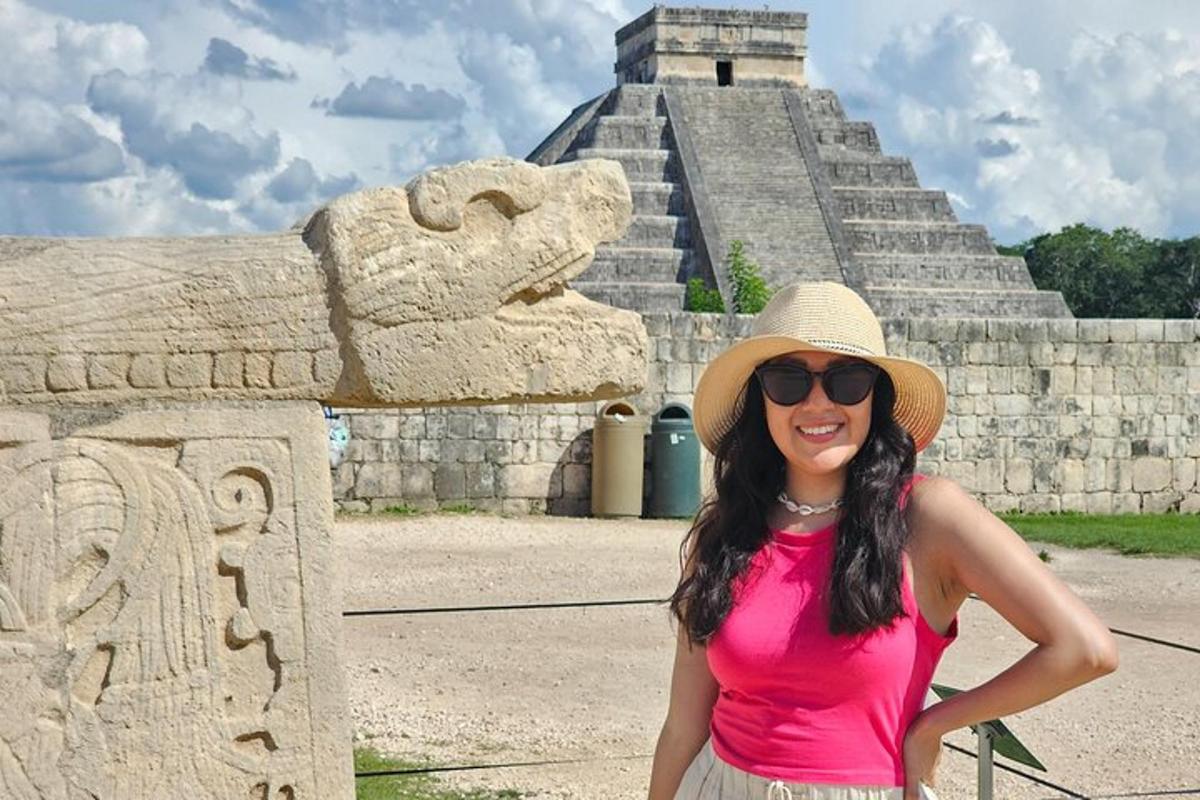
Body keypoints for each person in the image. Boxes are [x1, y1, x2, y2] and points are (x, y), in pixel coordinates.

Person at [647, 282, 1119, 800]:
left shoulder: (926, 516)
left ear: (877, 394)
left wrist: (933, 724)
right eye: (788, 380)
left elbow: (1084, 648)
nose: (818, 403)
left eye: (848, 380)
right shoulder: (725, 532)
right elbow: (682, 727)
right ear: (761, 398)